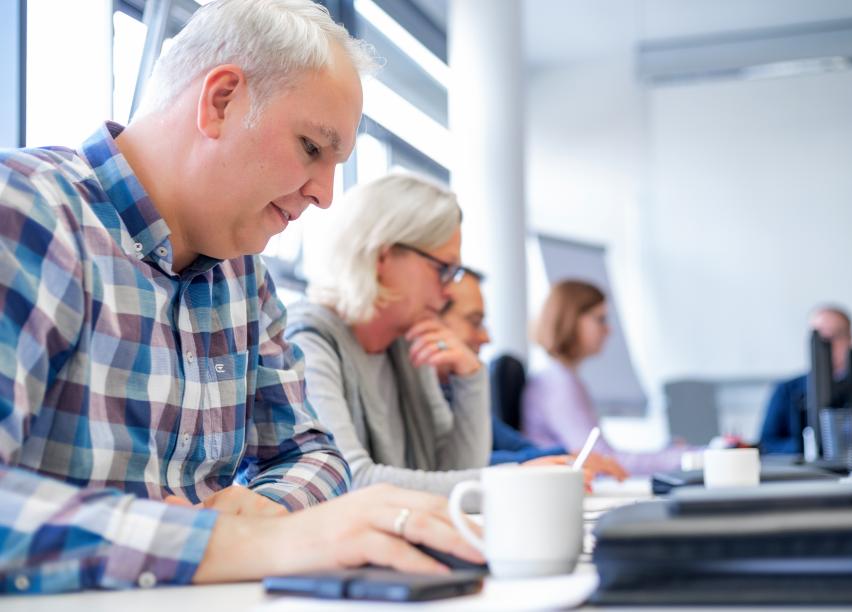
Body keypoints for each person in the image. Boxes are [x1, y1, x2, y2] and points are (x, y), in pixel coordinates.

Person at [0, 0, 480, 595]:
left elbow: (316, 456)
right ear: (221, 100)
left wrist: (268, 512)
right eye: (311, 148)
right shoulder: (25, 213)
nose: (327, 195)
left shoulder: (244, 278)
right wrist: (230, 543)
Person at [285, 173, 495, 495]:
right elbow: (349, 480)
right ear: (383, 256)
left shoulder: (406, 341)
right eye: (443, 268)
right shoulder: (308, 340)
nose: (448, 290)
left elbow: (453, 475)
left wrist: (472, 378)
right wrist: (505, 485)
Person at [438, 269, 628, 479]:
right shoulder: (556, 383)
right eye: (475, 321)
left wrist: (561, 457)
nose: (487, 338)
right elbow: (457, 465)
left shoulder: (453, 389)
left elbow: (512, 445)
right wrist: (545, 461)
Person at [521, 279, 683, 475]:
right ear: (571, 320)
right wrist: (684, 458)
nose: (609, 330)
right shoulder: (558, 384)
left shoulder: (557, 378)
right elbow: (600, 460)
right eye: (600, 319)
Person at [759, 305, 852, 454]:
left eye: (836, 336)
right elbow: (767, 443)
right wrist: (808, 448)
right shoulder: (786, 390)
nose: (828, 345)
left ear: (850, 338)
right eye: (820, 338)